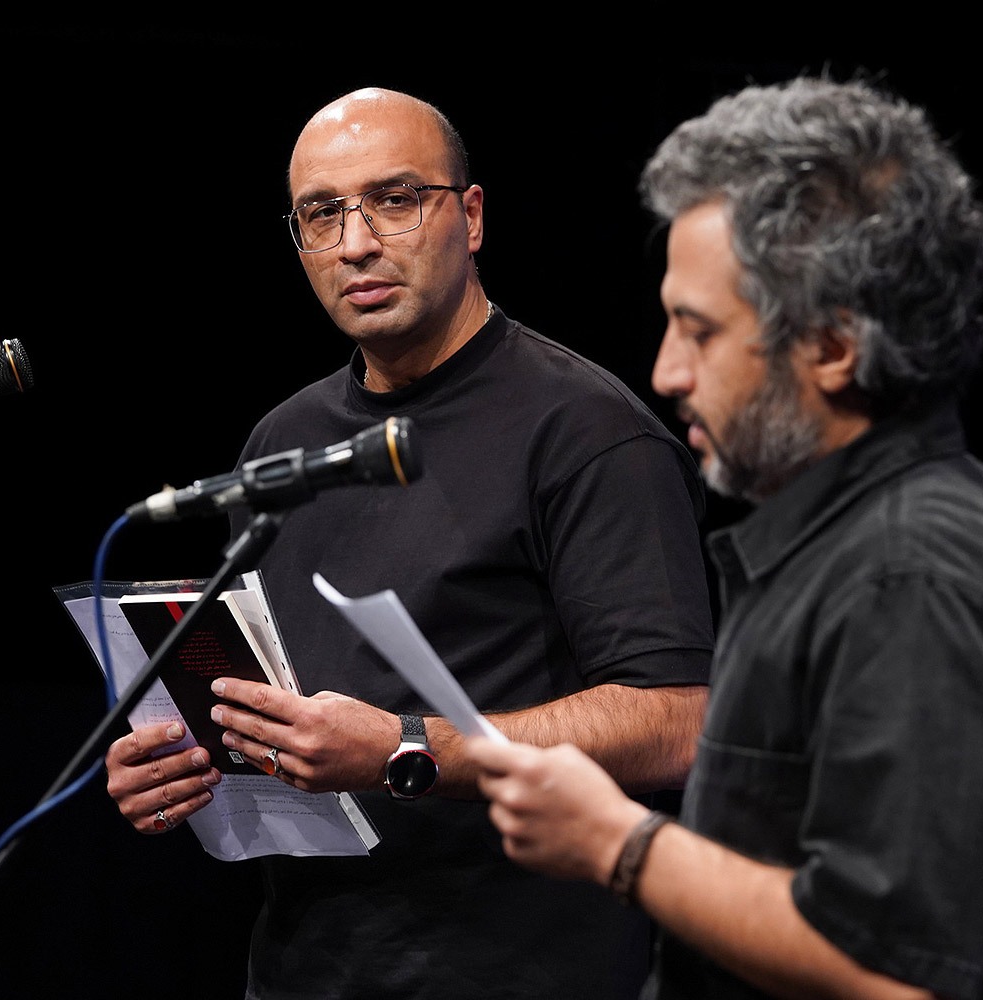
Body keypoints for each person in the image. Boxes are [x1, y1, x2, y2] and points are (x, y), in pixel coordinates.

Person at [469, 76, 983, 1000]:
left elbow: (895, 974)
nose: (666, 371)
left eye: (700, 331)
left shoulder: (912, 577)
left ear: (834, 348)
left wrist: (618, 843)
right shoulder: (836, 542)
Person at [103, 87, 718, 1000]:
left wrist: (405, 750)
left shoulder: (588, 431)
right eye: (322, 214)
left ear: (472, 217)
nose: (356, 243)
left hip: (524, 974)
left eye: (395, 200)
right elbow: (280, 711)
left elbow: (678, 724)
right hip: (304, 970)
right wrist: (190, 762)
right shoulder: (283, 444)